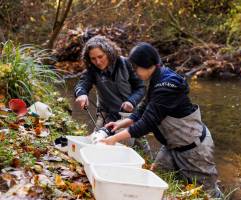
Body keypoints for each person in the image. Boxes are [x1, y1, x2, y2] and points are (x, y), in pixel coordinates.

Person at [101, 42, 222, 198]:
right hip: (172, 146)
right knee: (156, 179)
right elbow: (143, 110)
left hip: (194, 149)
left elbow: (147, 123)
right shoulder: (157, 78)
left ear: (146, 65)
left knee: (208, 194)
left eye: (135, 67)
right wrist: (119, 124)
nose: (134, 72)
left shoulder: (167, 85)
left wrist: (113, 139)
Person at [74, 36, 152, 157]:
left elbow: (141, 88)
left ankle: (148, 164)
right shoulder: (92, 70)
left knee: (139, 144)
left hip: (130, 113)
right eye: (93, 59)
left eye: (100, 57)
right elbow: (82, 84)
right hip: (106, 113)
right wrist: (81, 94)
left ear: (109, 53)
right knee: (97, 141)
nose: (98, 62)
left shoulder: (127, 64)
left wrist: (132, 101)